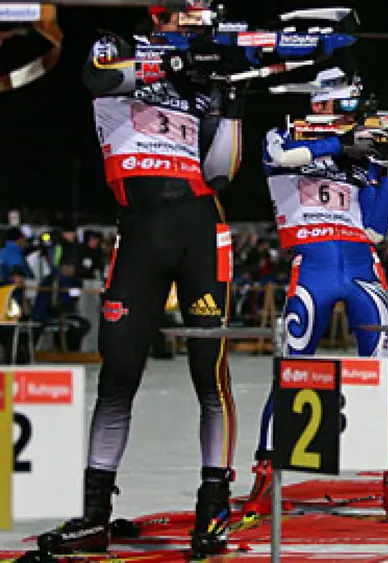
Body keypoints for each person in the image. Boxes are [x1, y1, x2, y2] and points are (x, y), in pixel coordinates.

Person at [37, 4, 245, 556]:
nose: (197, 25)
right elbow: (98, 79)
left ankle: (214, 508)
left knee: (210, 374)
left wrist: (230, 103)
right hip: (140, 229)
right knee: (119, 372)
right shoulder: (118, 47)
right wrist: (174, 63)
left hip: (200, 226)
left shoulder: (203, 73)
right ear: (161, 15)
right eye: (188, 15)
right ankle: (94, 515)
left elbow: (221, 171)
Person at [246, 67, 388, 517]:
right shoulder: (285, 134)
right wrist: (340, 144)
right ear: (320, 101)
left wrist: (387, 166)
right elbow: (279, 157)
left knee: (381, 371)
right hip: (313, 266)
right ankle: (265, 478)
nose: (349, 112)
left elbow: (377, 228)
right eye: (343, 103)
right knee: (293, 368)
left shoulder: (361, 155)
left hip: (363, 267)